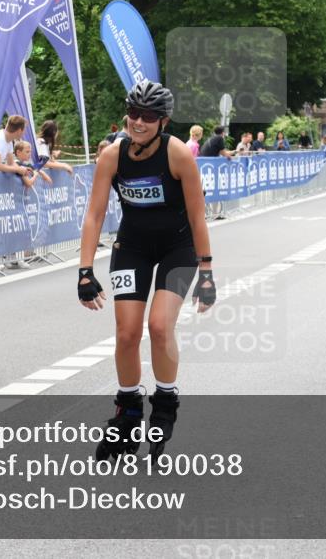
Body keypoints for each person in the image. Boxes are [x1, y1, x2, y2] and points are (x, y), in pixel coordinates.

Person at [77, 80, 216, 462]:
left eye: (148, 117)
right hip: (133, 248)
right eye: (133, 114)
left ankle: (165, 402)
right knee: (126, 333)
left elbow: (197, 216)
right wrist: (85, 271)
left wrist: (206, 272)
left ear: (163, 122)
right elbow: (94, 215)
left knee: (158, 326)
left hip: (178, 249)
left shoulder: (178, 154)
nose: (138, 122)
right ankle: (127, 412)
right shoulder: (112, 156)